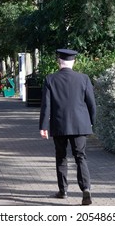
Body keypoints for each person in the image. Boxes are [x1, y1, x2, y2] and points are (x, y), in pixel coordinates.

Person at [39, 48, 96, 205]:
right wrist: (91, 122)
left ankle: (63, 190)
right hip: (80, 125)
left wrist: (43, 126)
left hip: (59, 124)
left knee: (61, 157)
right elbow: (92, 104)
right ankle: (86, 189)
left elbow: (46, 106)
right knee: (80, 157)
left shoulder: (50, 79)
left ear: (59, 62)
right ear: (74, 62)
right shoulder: (84, 78)